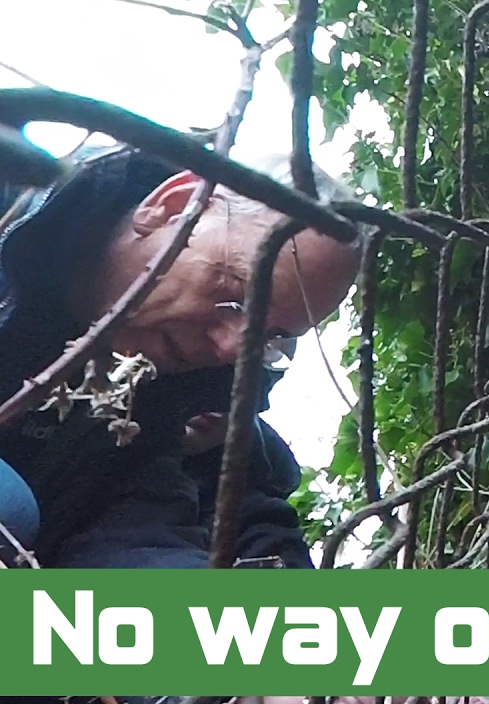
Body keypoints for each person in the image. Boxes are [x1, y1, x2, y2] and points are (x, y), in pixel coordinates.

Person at [0, 138, 364, 570]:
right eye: (237, 295)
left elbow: (132, 530)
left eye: (269, 337)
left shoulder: (168, 401)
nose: (230, 349)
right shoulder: (12, 201)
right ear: (172, 207)